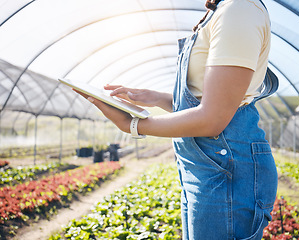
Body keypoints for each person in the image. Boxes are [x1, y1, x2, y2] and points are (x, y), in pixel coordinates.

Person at [74, 0, 278, 239]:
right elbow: (207, 101)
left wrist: (134, 125)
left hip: (226, 167)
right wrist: (154, 97)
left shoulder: (239, 9)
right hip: (205, 165)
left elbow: (213, 118)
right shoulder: (221, 12)